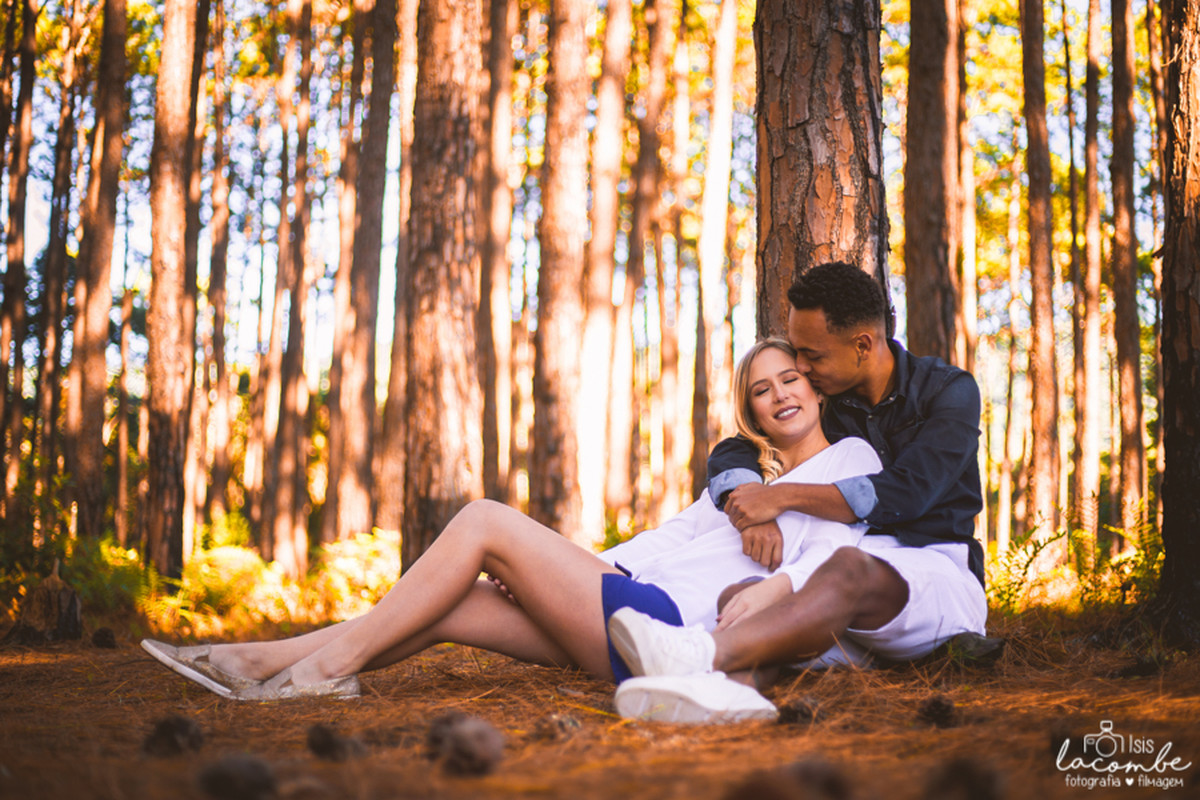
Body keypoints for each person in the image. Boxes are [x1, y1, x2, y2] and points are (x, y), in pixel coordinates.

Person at [142, 339, 881, 723]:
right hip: (628, 606)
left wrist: (777, 584)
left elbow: (840, 553)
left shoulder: (850, 459)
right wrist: (547, 574)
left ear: (814, 385)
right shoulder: (741, 481)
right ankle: (256, 660)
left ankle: (313, 674)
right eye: (761, 389)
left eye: (789, 379)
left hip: (675, 630)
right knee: (455, 605)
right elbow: (657, 545)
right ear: (751, 412)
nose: (779, 393)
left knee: (486, 517)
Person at [608, 261, 991, 722]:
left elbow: (908, 492)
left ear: (863, 345)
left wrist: (781, 498)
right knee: (746, 594)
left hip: (930, 566)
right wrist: (748, 493)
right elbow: (739, 446)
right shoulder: (835, 397)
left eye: (812, 356)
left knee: (841, 570)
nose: (802, 369)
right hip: (834, 589)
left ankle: (694, 654)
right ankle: (729, 698)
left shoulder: (947, 392)